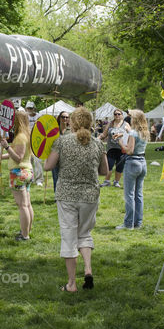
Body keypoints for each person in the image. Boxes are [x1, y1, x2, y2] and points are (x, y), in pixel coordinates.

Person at [44, 107, 108, 293]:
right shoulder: (97, 144)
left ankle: (71, 284)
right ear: (90, 123)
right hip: (90, 196)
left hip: (67, 196)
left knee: (69, 237)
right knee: (85, 234)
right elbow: (105, 172)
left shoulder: (62, 142)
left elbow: (48, 166)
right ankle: (87, 269)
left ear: (72, 122)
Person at [0, 110, 34, 240]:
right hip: (27, 172)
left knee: (22, 205)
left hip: (19, 173)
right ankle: (26, 230)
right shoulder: (26, 135)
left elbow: (18, 157)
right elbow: (15, 154)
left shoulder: (21, 136)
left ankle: (25, 235)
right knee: (27, 204)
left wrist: (6, 147)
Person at [117, 109, 149, 230]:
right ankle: (138, 222)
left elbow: (129, 151)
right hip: (142, 163)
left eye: (130, 117)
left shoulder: (133, 134)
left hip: (132, 163)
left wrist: (120, 142)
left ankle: (128, 223)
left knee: (129, 195)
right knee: (139, 195)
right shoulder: (144, 133)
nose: (129, 119)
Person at [99, 109, 130, 187]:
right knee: (109, 164)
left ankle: (116, 182)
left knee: (120, 166)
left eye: (119, 114)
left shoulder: (126, 124)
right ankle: (107, 181)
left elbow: (130, 134)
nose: (117, 116)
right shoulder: (110, 124)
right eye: (115, 114)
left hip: (122, 148)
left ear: (122, 115)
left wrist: (122, 134)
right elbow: (104, 134)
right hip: (111, 148)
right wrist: (97, 139)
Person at [25, 101, 45, 186]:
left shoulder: (39, 116)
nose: (30, 110)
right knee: (28, 160)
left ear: (34, 108)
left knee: (37, 161)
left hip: (37, 140)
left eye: (31, 108)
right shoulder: (25, 117)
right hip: (27, 140)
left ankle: (39, 179)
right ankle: (30, 178)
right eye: (28, 108)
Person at [52, 111, 71, 192]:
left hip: (67, 158)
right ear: (59, 118)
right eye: (63, 117)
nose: (65, 119)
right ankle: (57, 197)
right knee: (56, 178)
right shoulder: (54, 130)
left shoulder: (71, 130)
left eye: (67, 117)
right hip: (55, 157)